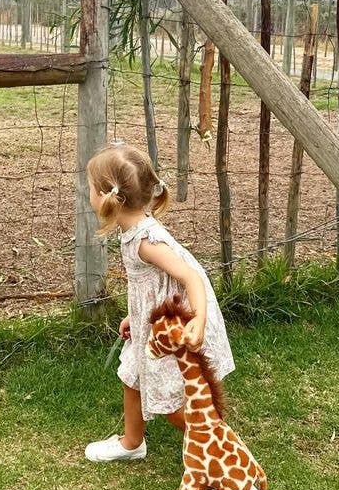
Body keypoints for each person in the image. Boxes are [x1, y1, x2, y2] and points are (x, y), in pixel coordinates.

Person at [84, 142, 235, 462]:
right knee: (131, 375)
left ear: (109, 197)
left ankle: (218, 446)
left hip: (178, 322)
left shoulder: (147, 242)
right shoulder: (132, 228)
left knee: (168, 400)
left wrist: (199, 320)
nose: (89, 194)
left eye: (91, 188)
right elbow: (151, 286)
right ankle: (132, 443)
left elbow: (191, 277)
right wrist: (135, 316)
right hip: (154, 318)